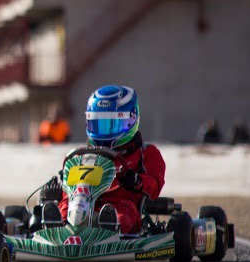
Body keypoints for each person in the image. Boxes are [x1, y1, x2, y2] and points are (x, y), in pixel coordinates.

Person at [53, 85, 166, 234]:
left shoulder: (146, 153)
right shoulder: (82, 156)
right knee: (66, 203)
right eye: (99, 124)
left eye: (111, 124)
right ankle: (57, 226)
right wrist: (64, 182)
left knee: (124, 211)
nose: (105, 133)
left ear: (131, 120)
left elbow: (155, 183)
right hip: (83, 203)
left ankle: (111, 229)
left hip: (120, 204)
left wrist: (137, 180)